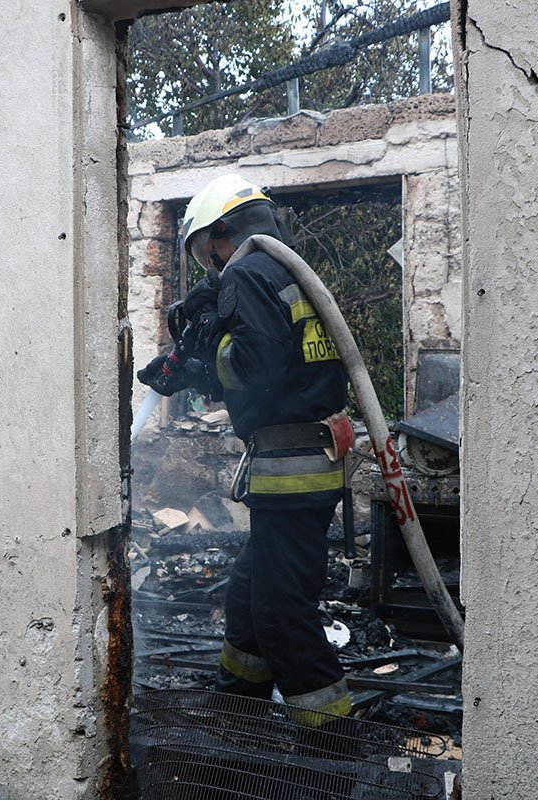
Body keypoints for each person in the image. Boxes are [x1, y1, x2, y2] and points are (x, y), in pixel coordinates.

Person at [138, 173, 353, 730]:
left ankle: (331, 745)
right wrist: (198, 363)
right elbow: (281, 367)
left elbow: (252, 368)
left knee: (282, 613)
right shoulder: (286, 272)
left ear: (220, 234)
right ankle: (238, 707)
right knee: (248, 595)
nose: (207, 265)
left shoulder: (249, 273)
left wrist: (206, 349)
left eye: (204, 251)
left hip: (291, 472)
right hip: (304, 465)